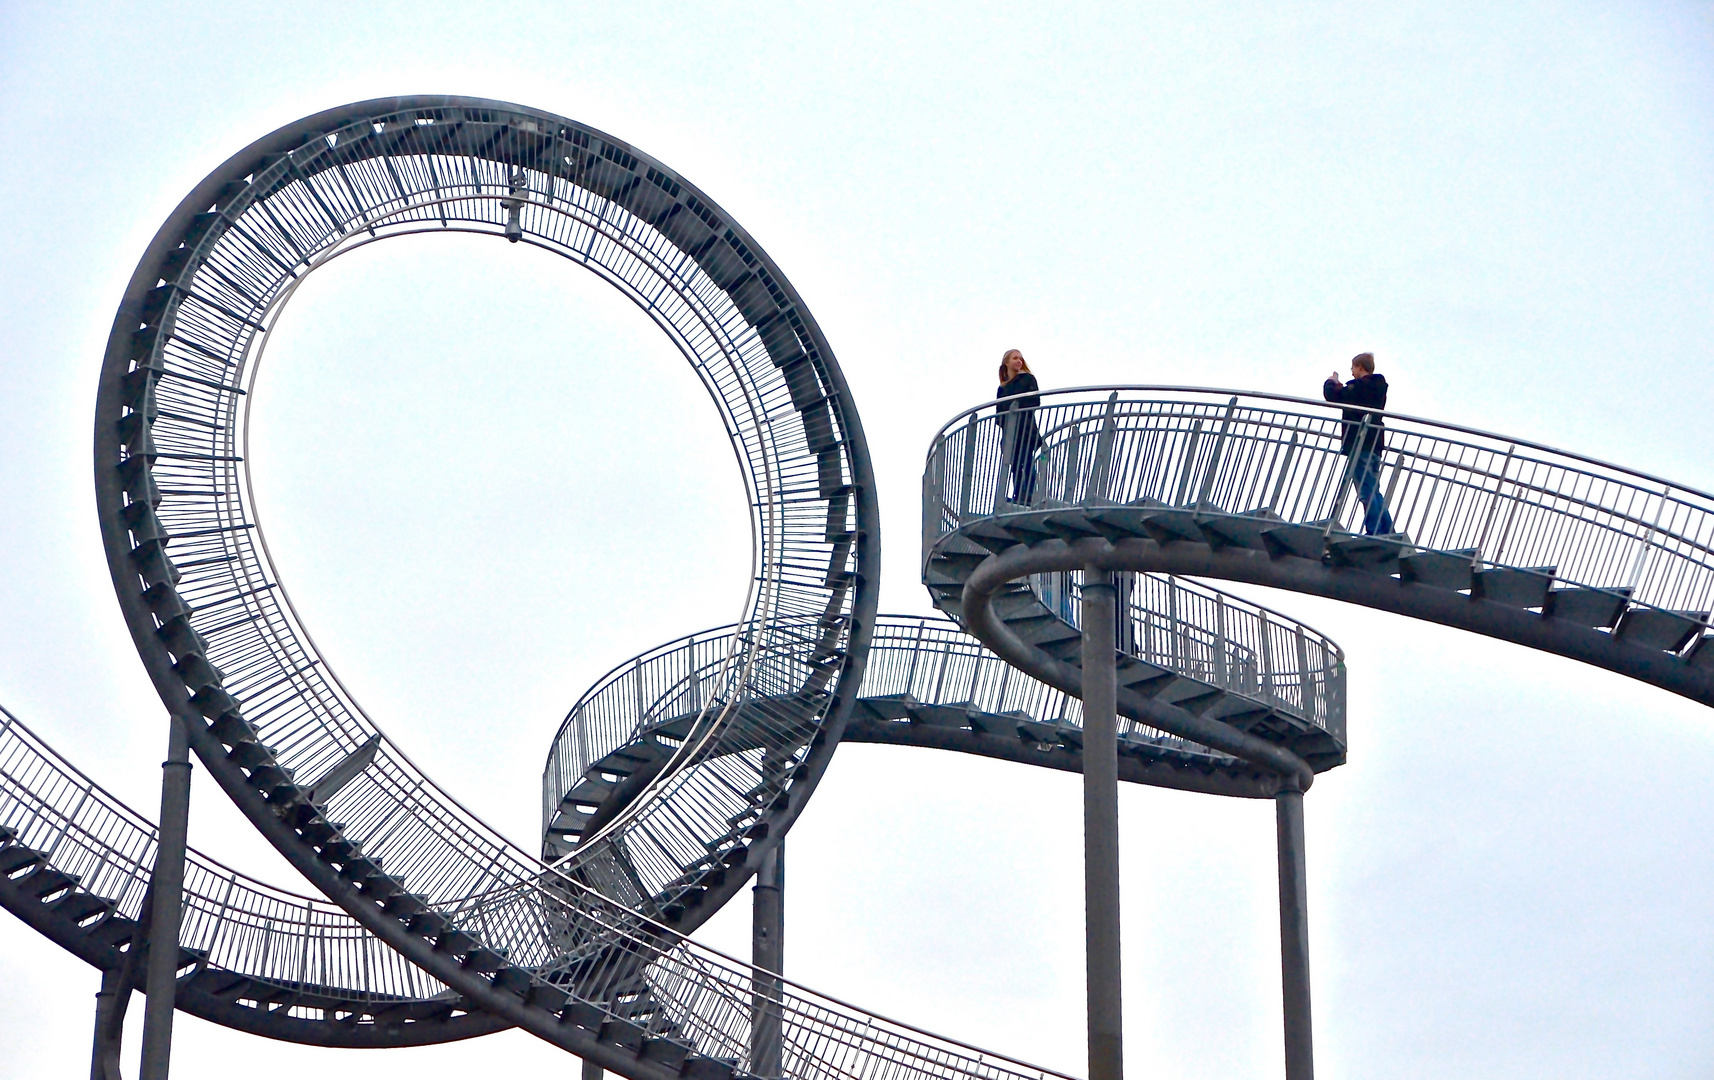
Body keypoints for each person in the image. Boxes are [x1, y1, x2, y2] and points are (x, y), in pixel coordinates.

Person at [1323, 352, 1395, 536]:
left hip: (1360, 442)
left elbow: (1334, 395)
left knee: (1366, 491)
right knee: (1374, 489)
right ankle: (1387, 531)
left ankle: (1376, 532)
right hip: (1375, 444)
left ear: (1360, 367)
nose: (1352, 372)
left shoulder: (1360, 387)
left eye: (1353, 368)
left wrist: (1332, 381)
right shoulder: (1378, 387)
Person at [995, 349, 1042, 505]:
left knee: (1027, 462)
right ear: (1006, 363)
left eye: (1021, 359)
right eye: (1015, 358)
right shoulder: (1002, 388)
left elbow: (1035, 401)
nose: (1019, 361)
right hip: (1010, 432)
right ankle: (1018, 495)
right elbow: (999, 413)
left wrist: (1015, 408)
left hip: (1026, 429)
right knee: (1015, 464)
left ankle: (1028, 495)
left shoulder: (1028, 379)